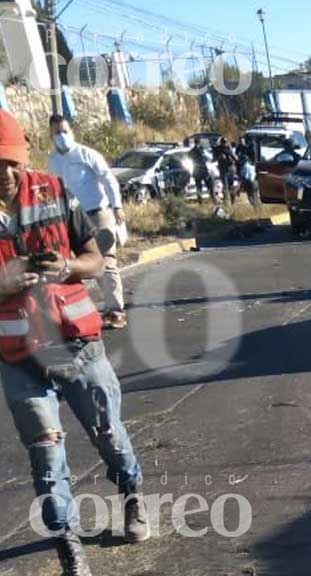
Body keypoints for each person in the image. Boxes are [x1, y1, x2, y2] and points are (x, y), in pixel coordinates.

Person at [1, 110, 149, 576]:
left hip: (77, 344)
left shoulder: (54, 191)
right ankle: (67, 542)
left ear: (23, 157)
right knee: (45, 451)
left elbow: (95, 258)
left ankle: (132, 495)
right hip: (18, 356)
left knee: (108, 432)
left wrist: (65, 266)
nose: (4, 174)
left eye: (11, 162)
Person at [48, 115, 127, 330]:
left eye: (64, 131)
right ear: (51, 135)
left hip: (98, 213)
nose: (61, 136)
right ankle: (76, 314)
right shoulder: (53, 160)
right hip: (72, 218)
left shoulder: (86, 154)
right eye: (57, 132)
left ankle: (115, 311)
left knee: (106, 262)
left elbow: (108, 179)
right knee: (70, 265)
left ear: (71, 131)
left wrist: (117, 206)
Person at [189, 138, 215, 204]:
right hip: (203, 170)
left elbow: (189, 157)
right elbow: (204, 159)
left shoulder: (191, 151)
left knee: (198, 187)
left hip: (196, 170)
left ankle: (200, 201)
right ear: (199, 143)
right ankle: (213, 199)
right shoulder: (201, 150)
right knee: (209, 185)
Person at [214, 138, 238, 204]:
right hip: (223, 169)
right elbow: (214, 159)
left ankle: (232, 201)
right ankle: (226, 202)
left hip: (230, 168)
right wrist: (220, 157)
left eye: (225, 142)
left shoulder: (228, 148)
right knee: (225, 186)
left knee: (231, 186)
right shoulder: (217, 149)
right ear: (221, 142)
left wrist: (230, 156)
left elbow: (235, 159)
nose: (224, 143)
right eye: (223, 142)